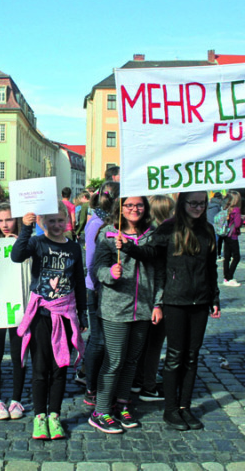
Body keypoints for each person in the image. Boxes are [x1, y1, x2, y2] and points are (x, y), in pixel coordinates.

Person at [119, 191, 220, 431]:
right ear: (182, 203)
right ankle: (171, 409)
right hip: (175, 300)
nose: (197, 207)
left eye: (201, 203)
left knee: (192, 356)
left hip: (201, 300)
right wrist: (129, 247)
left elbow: (211, 266)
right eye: (192, 203)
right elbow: (150, 253)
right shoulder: (168, 228)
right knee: (175, 356)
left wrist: (214, 296)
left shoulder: (207, 229)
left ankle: (185, 407)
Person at [12, 203, 87, 440]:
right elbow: (17, 256)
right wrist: (26, 228)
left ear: (67, 221)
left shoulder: (74, 248)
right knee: (41, 368)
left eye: (60, 220)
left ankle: (54, 416)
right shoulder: (37, 243)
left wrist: (82, 313)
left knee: (60, 367)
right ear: (43, 222)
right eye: (51, 221)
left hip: (65, 314)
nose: (56, 225)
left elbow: (79, 282)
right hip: (42, 316)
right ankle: (39, 417)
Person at [88, 196, 162, 434]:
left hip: (143, 307)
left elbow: (159, 272)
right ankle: (100, 410)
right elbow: (96, 268)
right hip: (115, 308)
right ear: (120, 208)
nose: (134, 209)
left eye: (139, 205)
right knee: (114, 361)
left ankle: (122, 403)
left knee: (131, 361)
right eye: (128, 205)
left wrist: (158, 303)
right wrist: (110, 272)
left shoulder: (153, 234)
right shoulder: (108, 234)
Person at [0, 203, 27, 420]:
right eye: (0, 220)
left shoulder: (26, 241)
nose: (5, 225)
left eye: (8, 219)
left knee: (18, 353)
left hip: (20, 305)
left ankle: (17, 399)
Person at [131, 194, 173, 402]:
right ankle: (148, 385)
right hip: (157, 297)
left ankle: (139, 381)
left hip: (145, 296)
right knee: (154, 345)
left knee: (144, 344)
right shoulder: (160, 235)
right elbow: (161, 272)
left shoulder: (148, 234)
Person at [80, 181, 119, 406]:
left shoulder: (105, 221)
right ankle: (91, 386)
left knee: (104, 339)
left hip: (104, 286)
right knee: (99, 339)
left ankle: (94, 380)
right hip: (96, 287)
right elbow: (91, 261)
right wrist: (95, 287)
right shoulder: (97, 223)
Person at [221, 191, 243, 287]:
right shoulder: (236, 209)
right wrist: (242, 220)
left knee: (227, 257)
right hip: (233, 235)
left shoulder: (226, 208)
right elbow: (237, 224)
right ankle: (230, 276)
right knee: (237, 257)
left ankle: (226, 277)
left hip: (226, 234)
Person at [207, 192, 224, 259]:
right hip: (215, 226)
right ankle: (215, 254)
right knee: (216, 241)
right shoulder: (218, 206)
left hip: (208, 224)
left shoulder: (208, 205)